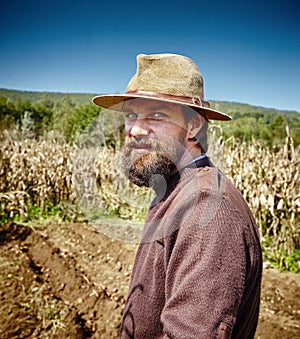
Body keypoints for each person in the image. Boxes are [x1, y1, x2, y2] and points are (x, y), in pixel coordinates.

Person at [93, 53, 262, 338]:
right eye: (131, 115)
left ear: (194, 126)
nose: (135, 129)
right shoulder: (176, 190)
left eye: (157, 115)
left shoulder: (208, 208)